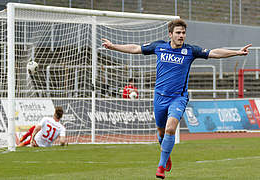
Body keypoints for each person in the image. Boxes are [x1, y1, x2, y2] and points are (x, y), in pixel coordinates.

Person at [102, 19, 251, 179]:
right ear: (170, 34)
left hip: (178, 98)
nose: (181, 36)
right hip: (159, 97)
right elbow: (135, 48)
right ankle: (166, 154)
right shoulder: (159, 46)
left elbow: (214, 53)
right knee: (161, 132)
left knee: (170, 129)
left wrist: (236, 52)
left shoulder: (191, 51)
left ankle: (160, 166)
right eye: (178, 33)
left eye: (183, 33)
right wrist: (113, 46)